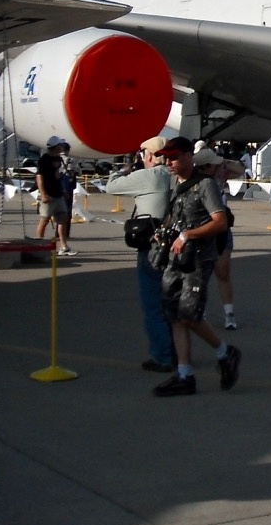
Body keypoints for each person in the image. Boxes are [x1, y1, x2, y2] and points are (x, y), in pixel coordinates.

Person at [150, 136, 241, 397]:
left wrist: (188, 235)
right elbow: (173, 219)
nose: (169, 162)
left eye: (174, 157)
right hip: (175, 259)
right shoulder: (175, 186)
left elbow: (220, 222)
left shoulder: (205, 186)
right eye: (166, 158)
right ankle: (184, 374)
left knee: (189, 315)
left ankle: (226, 352)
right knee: (175, 316)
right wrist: (162, 234)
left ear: (190, 156)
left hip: (198, 260)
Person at [105, 137, 176, 372]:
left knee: (152, 305)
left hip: (151, 246)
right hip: (172, 244)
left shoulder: (149, 176)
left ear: (148, 156)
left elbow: (111, 187)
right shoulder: (172, 175)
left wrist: (124, 169)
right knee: (170, 305)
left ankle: (163, 356)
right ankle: (176, 351)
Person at [193, 144, 245, 331]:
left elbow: (240, 170)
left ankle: (229, 314)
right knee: (201, 275)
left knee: (223, 273)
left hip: (222, 230)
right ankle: (201, 311)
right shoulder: (195, 181)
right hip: (204, 228)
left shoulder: (220, 176)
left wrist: (223, 161)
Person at [35, 136, 75, 255]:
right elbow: (39, 178)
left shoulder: (58, 158)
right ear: (55, 147)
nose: (62, 147)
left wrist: (63, 190)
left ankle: (64, 246)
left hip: (58, 193)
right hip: (48, 194)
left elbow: (58, 176)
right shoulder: (44, 160)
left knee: (63, 218)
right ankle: (39, 246)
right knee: (45, 220)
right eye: (60, 145)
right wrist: (43, 195)